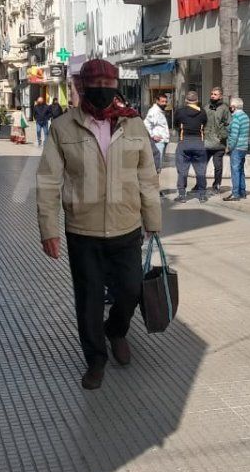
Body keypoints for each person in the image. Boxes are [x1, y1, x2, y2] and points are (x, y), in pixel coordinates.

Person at [36, 59, 162, 390]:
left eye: (109, 85)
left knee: (131, 290)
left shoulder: (134, 126)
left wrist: (153, 218)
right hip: (83, 230)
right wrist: (48, 229)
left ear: (116, 86)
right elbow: (49, 181)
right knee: (89, 297)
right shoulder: (63, 128)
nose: (103, 92)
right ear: (82, 87)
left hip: (126, 226)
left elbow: (147, 177)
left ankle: (117, 330)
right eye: (97, 86)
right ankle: (95, 360)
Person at [173, 90, 209, 203]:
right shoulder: (203, 112)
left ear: (186, 100)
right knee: (201, 171)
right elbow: (205, 124)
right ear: (197, 100)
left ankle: (182, 195)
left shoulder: (180, 112)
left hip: (184, 143)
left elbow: (175, 125)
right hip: (199, 142)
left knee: (182, 170)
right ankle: (202, 195)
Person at [204, 87, 231, 193]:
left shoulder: (224, 108)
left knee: (218, 166)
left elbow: (229, 124)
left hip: (219, 144)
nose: (212, 96)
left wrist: (222, 136)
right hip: (206, 142)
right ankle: (200, 184)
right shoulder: (206, 107)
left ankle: (217, 185)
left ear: (220, 96)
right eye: (211, 94)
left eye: (215, 94)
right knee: (201, 165)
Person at [224, 97, 250, 202]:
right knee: (241, 170)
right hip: (244, 147)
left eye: (231, 106)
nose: (230, 107)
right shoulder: (246, 117)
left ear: (234, 107)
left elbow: (234, 135)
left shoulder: (236, 118)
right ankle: (242, 192)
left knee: (235, 171)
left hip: (236, 148)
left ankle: (235, 194)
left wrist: (229, 147)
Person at [144, 92, 171, 173]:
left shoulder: (160, 111)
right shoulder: (154, 111)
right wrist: (152, 136)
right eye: (162, 101)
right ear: (157, 101)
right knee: (157, 163)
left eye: (166, 101)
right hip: (158, 141)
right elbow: (146, 124)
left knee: (159, 161)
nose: (164, 103)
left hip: (162, 140)